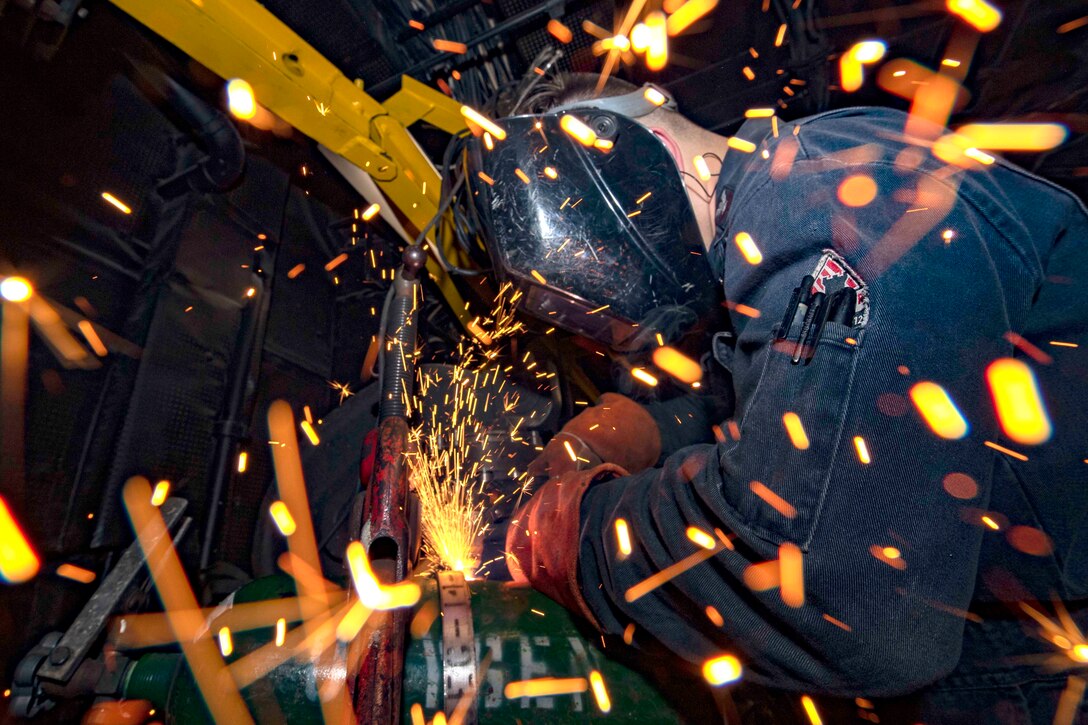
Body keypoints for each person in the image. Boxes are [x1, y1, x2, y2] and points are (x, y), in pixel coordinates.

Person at [464, 72, 1088, 722]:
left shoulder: (813, 207)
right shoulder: (777, 225)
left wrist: (582, 534)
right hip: (1015, 605)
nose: (617, 325)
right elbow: (780, 412)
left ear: (657, 158)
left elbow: (845, 604)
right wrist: (648, 426)